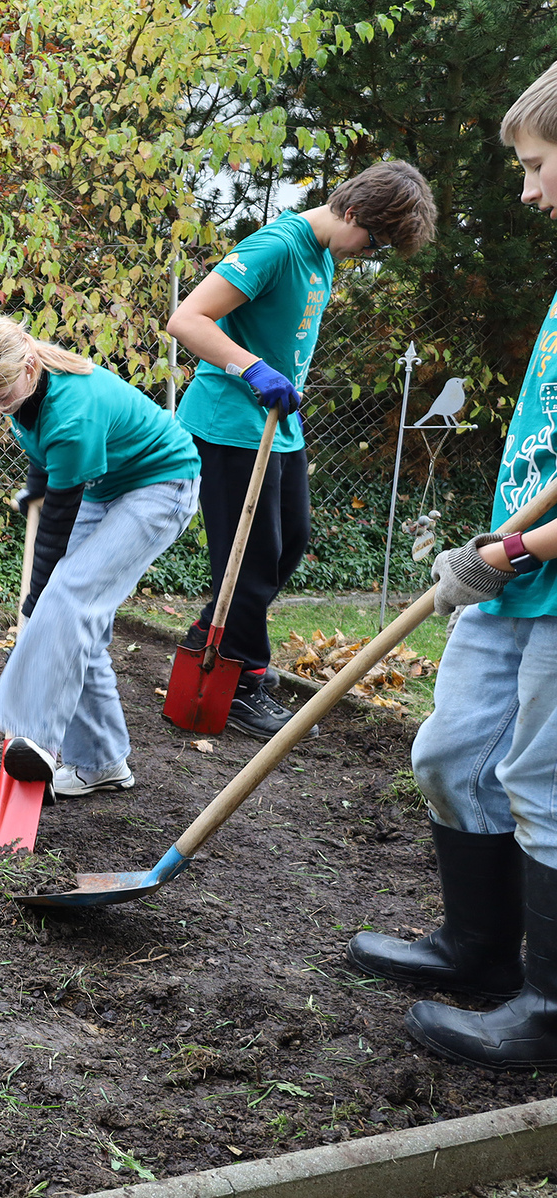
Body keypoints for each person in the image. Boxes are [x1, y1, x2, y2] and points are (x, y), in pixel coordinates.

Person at [346, 61, 557, 1070]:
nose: (527, 189)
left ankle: (548, 1008)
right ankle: (477, 951)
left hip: (537, 571)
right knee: (450, 754)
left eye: (537, 164)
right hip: (516, 571)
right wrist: (503, 547)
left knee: (544, 781)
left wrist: (515, 548)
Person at [168, 160, 436, 738]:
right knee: (251, 561)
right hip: (229, 424)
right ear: (353, 212)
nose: (369, 254)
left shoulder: (324, 254)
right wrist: (251, 368)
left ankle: (210, 640)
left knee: (289, 545)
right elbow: (186, 319)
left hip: (277, 424)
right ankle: (243, 684)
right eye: (374, 241)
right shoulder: (276, 247)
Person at [0, 314, 201, 795]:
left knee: (66, 598)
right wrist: (34, 486)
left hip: (161, 484)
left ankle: (37, 739)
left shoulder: (72, 410)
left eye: (2, 397)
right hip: (106, 486)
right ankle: (101, 762)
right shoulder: (25, 389)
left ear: (28, 364)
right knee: (77, 625)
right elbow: (43, 452)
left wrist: (34, 603)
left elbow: (56, 526)